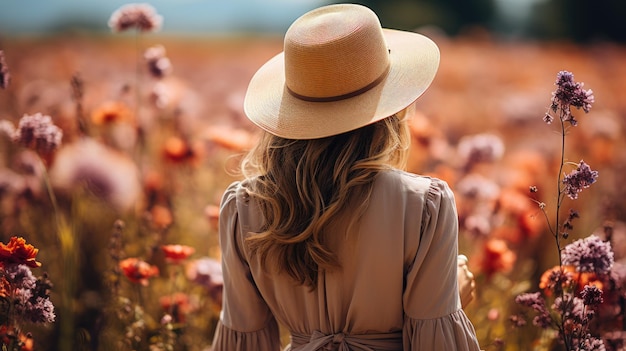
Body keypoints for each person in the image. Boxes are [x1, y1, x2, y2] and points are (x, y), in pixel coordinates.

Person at [212, 3, 480, 350]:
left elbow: (243, 343)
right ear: (390, 109)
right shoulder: (423, 205)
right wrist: (449, 298)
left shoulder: (244, 207)